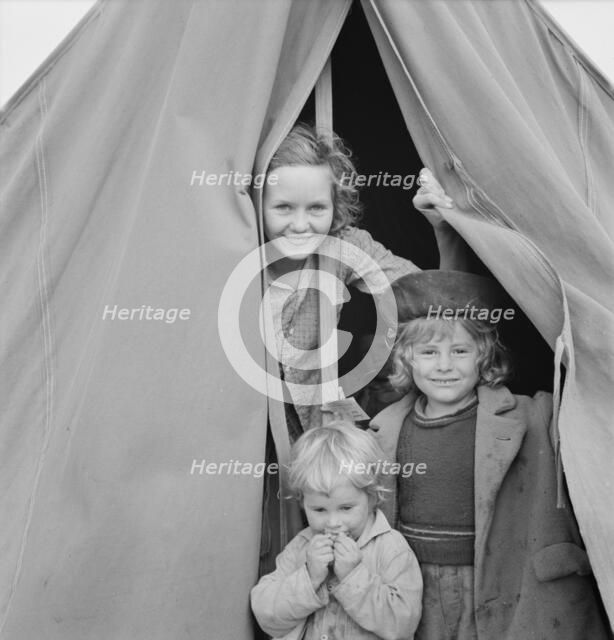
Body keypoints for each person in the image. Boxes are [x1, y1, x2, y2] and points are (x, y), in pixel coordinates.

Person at [369, 269, 610, 640]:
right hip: (414, 585)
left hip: (505, 583)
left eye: (460, 351)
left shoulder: (533, 415)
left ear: (483, 355)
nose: (445, 366)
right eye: (429, 352)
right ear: (405, 358)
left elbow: (594, 381)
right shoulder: (384, 429)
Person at [251, 421, 423, 640]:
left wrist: (353, 576)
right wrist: (309, 578)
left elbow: (402, 625)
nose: (333, 522)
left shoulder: (391, 548)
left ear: (371, 498)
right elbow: (267, 616)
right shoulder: (300, 547)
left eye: (346, 508)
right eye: (320, 509)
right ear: (303, 503)